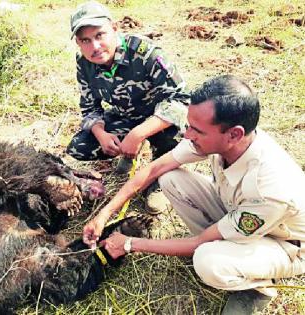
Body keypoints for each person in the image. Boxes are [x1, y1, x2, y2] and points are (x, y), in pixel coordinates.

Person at [83, 75, 305, 314]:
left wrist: (129, 244)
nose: (187, 135)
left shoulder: (269, 188)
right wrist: (104, 214)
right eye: (189, 125)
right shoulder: (221, 137)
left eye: (196, 130)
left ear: (234, 135)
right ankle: (226, 246)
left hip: (285, 244)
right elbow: (155, 168)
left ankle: (256, 288)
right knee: (170, 179)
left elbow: (200, 243)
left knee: (207, 260)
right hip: (236, 212)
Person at [66, 1, 189, 211]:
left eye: (99, 35)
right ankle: (130, 152)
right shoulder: (84, 63)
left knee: (176, 140)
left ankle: (159, 178)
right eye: (85, 40)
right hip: (126, 116)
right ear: (78, 43)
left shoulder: (145, 53)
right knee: (80, 147)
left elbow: (181, 100)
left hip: (160, 120)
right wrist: (101, 134)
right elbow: (89, 108)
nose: (94, 47)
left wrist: (138, 134)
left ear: (114, 29)